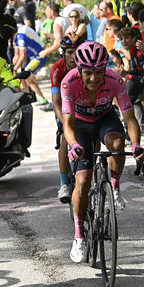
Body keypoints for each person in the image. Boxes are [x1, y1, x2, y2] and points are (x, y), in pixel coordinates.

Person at [61, 41, 144, 263]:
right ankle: (79, 235)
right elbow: (67, 124)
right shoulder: (68, 82)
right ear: (79, 70)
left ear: (104, 69)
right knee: (82, 182)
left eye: (98, 72)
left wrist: (135, 144)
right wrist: (74, 145)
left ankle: (115, 187)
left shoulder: (115, 80)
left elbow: (130, 118)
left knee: (118, 146)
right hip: (79, 124)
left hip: (105, 120)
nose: (93, 78)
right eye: (88, 73)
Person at [50, 34, 84, 202]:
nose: (73, 57)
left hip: (83, 104)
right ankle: (64, 183)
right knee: (65, 137)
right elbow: (56, 102)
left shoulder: (87, 65)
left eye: (77, 52)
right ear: (63, 53)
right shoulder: (58, 68)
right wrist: (64, 121)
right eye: (70, 52)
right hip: (64, 107)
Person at [12, 23, 51, 110]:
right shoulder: (16, 36)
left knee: (26, 76)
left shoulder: (20, 37)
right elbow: (17, 56)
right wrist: (12, 67)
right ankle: (33, 99)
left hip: (39, 56)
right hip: (34, 57)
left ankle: (34, 99)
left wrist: (14, 69)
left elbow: (22, 56)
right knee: (25, 78)